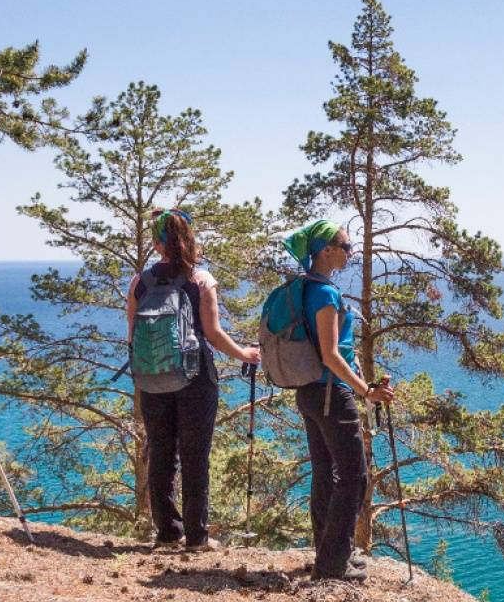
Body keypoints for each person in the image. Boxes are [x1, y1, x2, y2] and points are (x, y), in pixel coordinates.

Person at [126, 209, 259, 552]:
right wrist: (244, 353)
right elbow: (213, 334)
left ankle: (168, 533)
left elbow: (132, 336)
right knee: (195, 456)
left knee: (161, 454)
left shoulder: (140, 282)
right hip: (195, 377)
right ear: (189, 239)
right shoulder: (201, 280)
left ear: (157, 244)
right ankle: (197, 537)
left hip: (152, 378)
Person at [284, 219, 393, 581]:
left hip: (310, 392)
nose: (351, 253)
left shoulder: (304, 288)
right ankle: (333, 564)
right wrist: (365, 391)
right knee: (354, 476)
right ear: (326, 250)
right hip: (332, 392)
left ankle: (330, 552)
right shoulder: (326, 294)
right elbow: (332, 355)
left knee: (325, 474)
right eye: (346, 247)